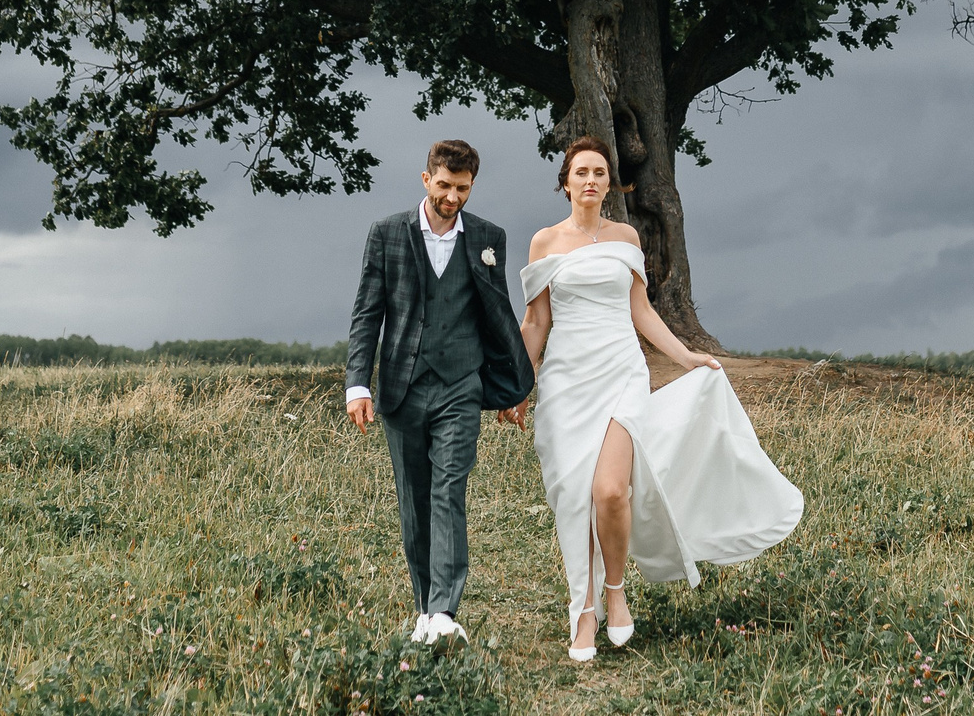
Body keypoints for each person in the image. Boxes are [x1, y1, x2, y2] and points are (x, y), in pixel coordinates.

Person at [521, 136, 804, 662]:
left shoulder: (627, 237)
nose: (589, 180)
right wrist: (517, 381)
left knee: (610, 491)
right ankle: (582, 610)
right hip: (565, 383)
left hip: (621, 372)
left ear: (609, 183)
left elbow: (642, 311)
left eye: (599, 172)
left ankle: (615, 591)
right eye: (580, 171)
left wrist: (687, 356)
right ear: (564, 182)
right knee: (574, 497)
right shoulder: (543, 243)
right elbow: (537, 321)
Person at [344, 139, 536, 645]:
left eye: (463, 188)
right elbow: (368, 313)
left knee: (449, 489)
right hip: (402, 390)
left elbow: (499, 315)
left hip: (460, 386)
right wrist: (357, 383)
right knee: (414, 499)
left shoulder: (488, 238)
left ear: (472, 186)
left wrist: (515, 385)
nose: (453, 197)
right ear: (426, 180)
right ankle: (424, 608)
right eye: (445, 186)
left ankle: (444, 612)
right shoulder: (386, 234)